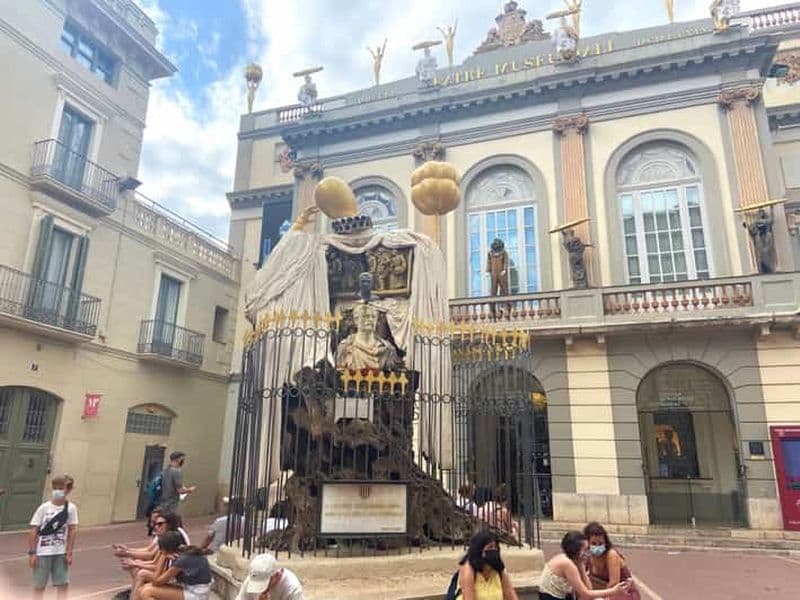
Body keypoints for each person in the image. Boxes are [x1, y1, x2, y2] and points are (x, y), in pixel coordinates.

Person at [538, 531, 631, 600]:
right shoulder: (567, 563)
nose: (588, 552)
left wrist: (582, 569)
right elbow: (585, 594)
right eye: (585, 549)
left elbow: (588, 589)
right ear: (576, 550)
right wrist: (614, 591)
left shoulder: (575, 561)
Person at [28, 475, 79, 600]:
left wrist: (69, 552)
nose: (57, 491)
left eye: (61, 488)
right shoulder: (44, 508)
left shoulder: (71, 509)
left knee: (63, 584)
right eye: (55, 488)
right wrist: (33, 553)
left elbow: (72, 531)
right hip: (42, 553)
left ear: (68, 489)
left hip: (60, 553)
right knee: (39, 586)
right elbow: (34, 530)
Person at [139, 531, 212, 600]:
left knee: (147, 592)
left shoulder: (182, 559)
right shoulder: (183, 551)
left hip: (197, 594)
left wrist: (163, 558)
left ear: (165, 549)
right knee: (145, 587)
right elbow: (161, 578)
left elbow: (157, 582)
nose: (161, 552)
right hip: (192, 587)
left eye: (161, 551)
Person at [453, 530, 519, 600]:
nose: (493, 550)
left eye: (495, 547)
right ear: (479, 550)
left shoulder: (499, 568)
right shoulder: (469, 569)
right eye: (490, 547)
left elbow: (510, 593)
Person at [583, 522, 640, 599]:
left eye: (600, 544)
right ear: (587, 543)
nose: (597, 546)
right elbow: (581, 575)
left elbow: (614, 583)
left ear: (605, 543)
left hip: (621, 592)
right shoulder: (587, 555)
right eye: (593, 543)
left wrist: (597, 596)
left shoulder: (611, 554)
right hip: (602, 590)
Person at [235, 553, 305, 600]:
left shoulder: (292, 589)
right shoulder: (254, 578)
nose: (261, 590)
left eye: (263, 584)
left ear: (276, 575)